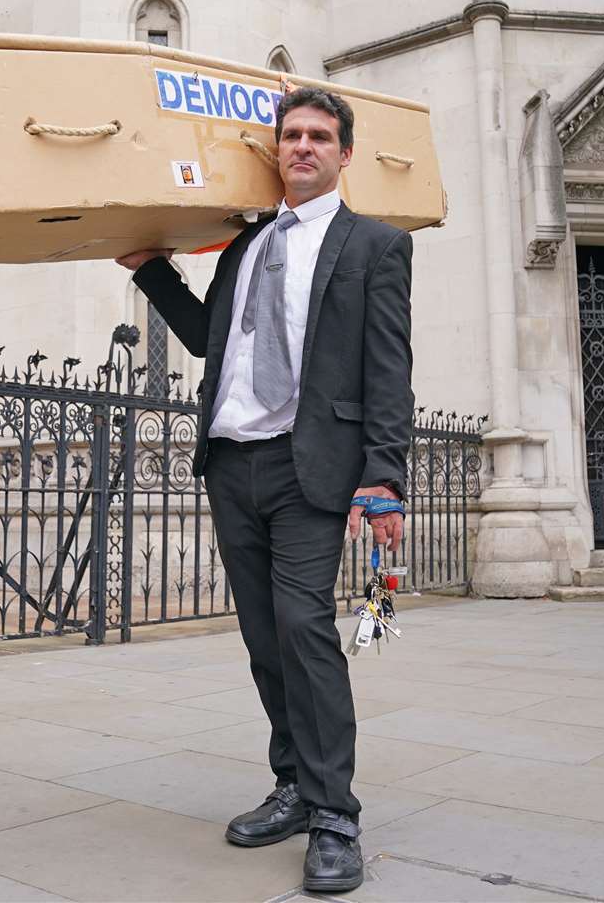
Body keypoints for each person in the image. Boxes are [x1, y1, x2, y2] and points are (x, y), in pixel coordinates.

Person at [117, 86, 413, 894]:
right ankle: (292, 783)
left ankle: (335, 814)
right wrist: (150, 271)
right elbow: (210, 339)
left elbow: (389, 368)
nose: (304, 148)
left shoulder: (374, 247)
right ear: (275, 151)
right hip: (233, 461)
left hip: (311, 466)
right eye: (292, 137)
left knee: (303, 627)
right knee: (261, 635)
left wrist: (384, 475)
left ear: (345, 154)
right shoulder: (246, 247)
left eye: (320, 137)